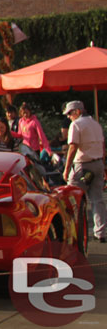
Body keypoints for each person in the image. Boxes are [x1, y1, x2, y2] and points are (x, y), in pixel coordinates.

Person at [62, 100, 107, 243]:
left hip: (82, 165)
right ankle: (100, 232)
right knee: (97, 199)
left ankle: (73, 231)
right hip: (98, 163)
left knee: (72, 197)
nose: (68, 117)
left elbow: (73, 148)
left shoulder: (76, 125)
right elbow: (103, 146)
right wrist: (103, 166)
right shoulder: (96, 124)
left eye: (70, 113)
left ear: (77, 112)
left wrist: (66, 168)